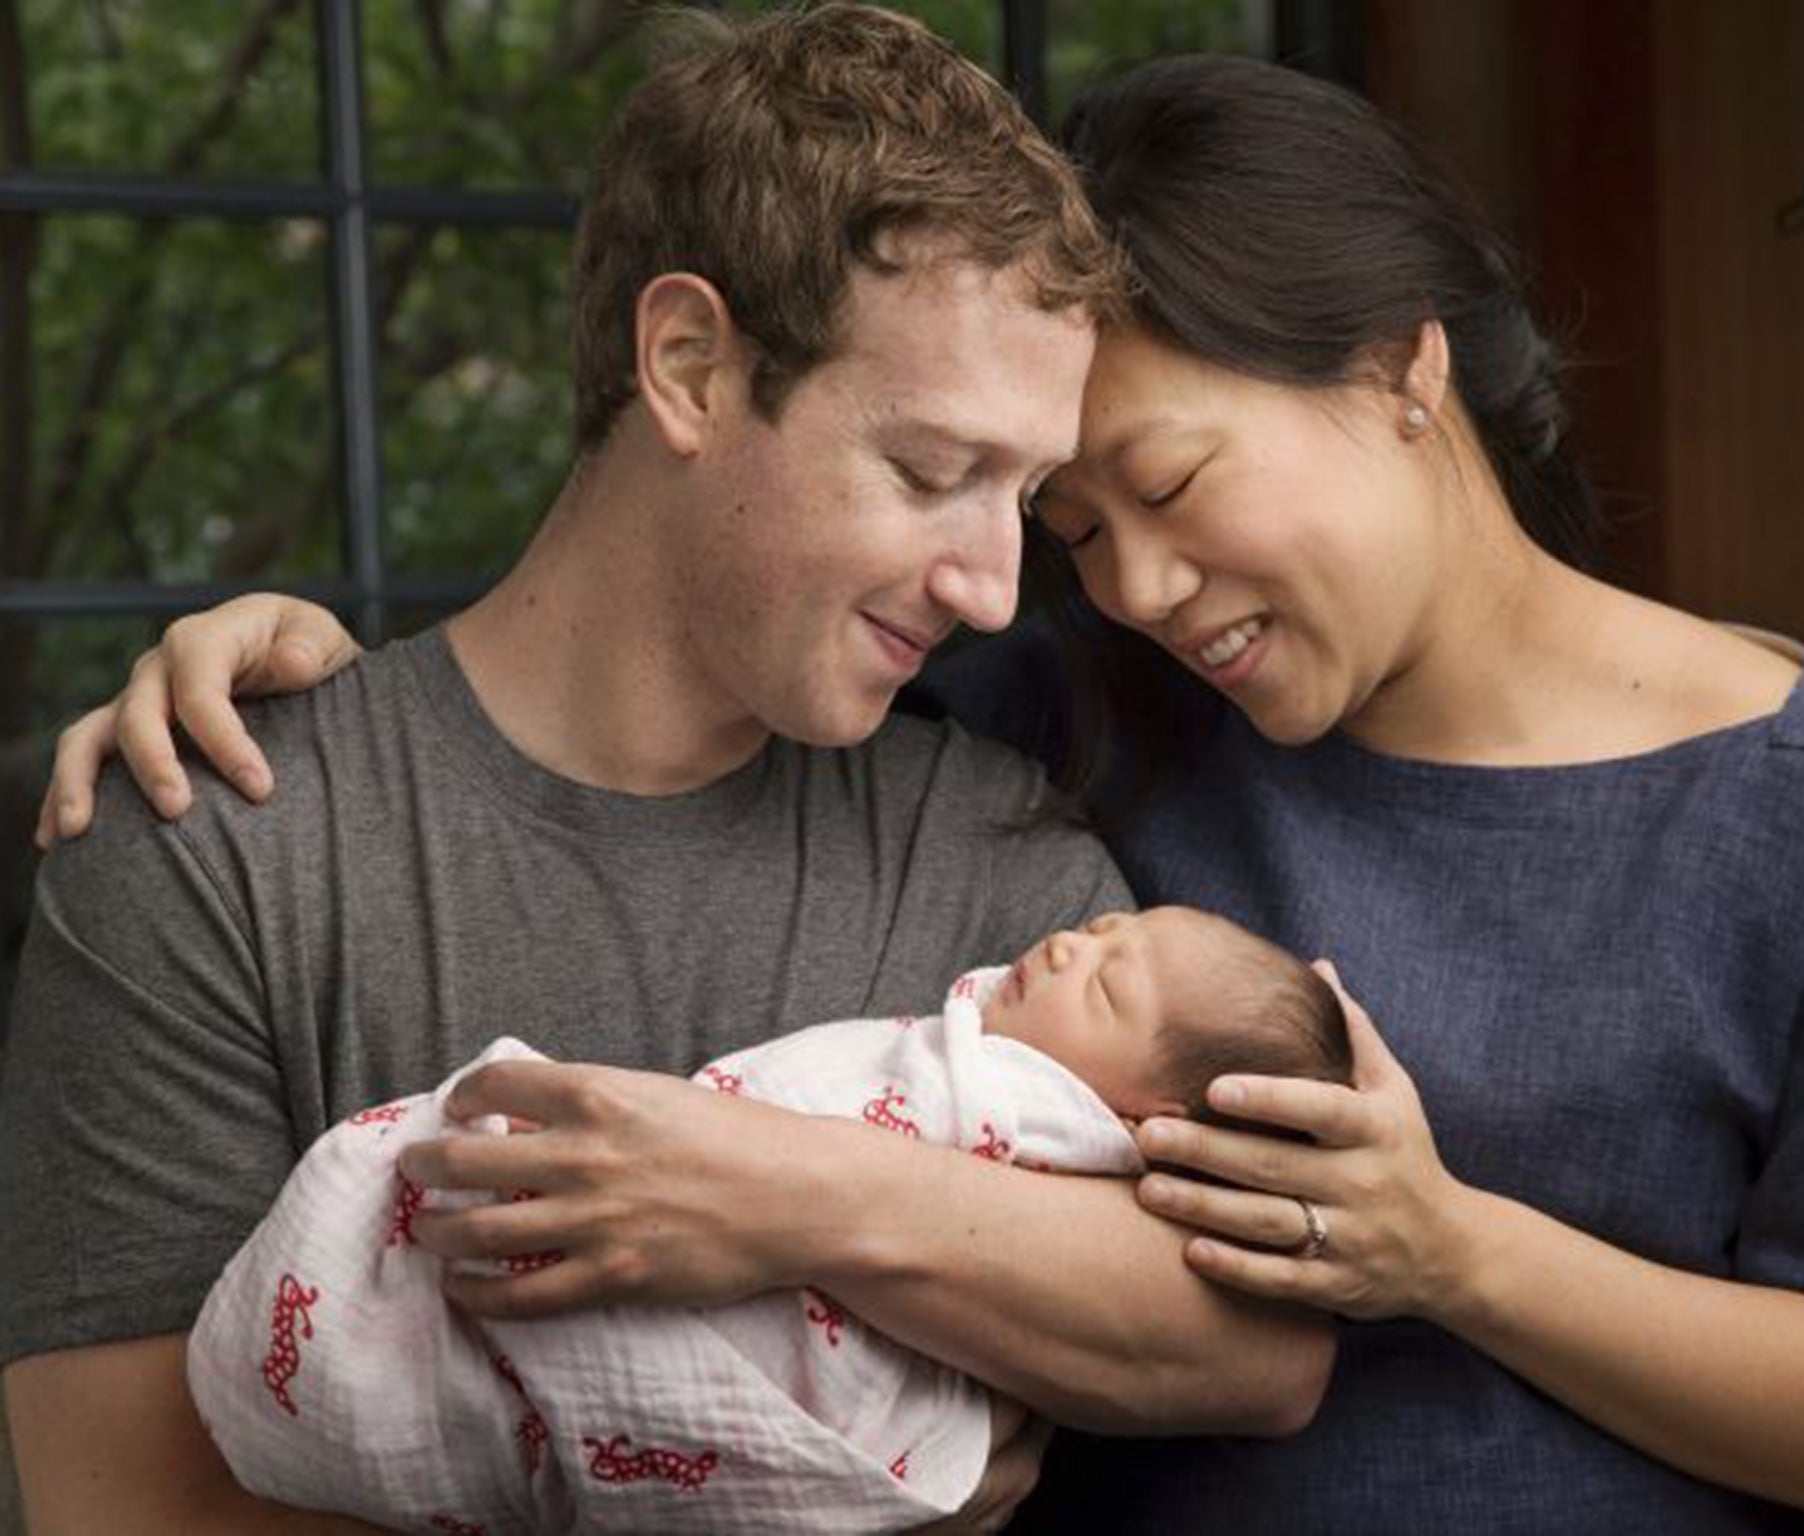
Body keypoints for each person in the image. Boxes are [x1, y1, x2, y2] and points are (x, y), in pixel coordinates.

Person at [25, 44, 1804, 1536]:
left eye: (1128, 493)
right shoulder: (1092, 709)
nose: (1087, 582)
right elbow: (667, 611)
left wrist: (1444, 1250)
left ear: (1402, 372)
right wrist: (279, 657)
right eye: (1048, 513)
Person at [0, 14, 1341, 1536]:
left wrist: (777, 1190)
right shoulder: (219, 840)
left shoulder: (995, 866)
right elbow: (130, 1508)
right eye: (929, 473)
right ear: (691, 365)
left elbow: (1251, 1345)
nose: (991, 585)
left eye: (1026, 497)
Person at [185, 907, 1349, 1536]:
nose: (1069, 944)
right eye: (1098, 930)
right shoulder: (245, 853)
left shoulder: (1036, 1067)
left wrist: (778, 1189)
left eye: (1105, 980)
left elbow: (1268, 1355)